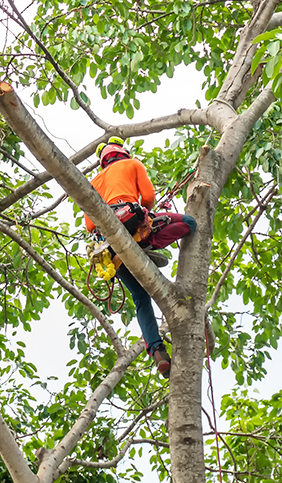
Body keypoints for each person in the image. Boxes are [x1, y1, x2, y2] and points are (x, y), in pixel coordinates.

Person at [83, 138, 196, 379]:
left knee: (141, 298)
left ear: (103, 160)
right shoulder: (133, 164)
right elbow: (148, 198)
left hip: (110, 250)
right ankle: (148, 244)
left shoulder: (94, 181)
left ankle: (157, 351)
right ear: (122, 152)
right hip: (136, 227)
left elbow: (90, 224)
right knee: (189, 223)